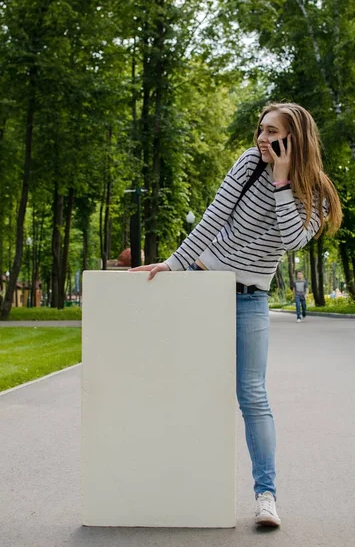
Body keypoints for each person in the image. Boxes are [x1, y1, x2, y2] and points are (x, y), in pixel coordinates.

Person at [129, 102, 342, 527]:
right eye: (261, 130)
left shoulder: (316, 191)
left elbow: (293, 239)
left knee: (253, 395)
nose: (262, 139)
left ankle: (266, 495)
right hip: (203, 287)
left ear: (294, 140)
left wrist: (282, 181)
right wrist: (172, 264)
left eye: (273, 132)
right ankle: (185, 487)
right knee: (190, 387)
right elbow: (211, 221)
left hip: (250, 299)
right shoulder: (246, 164)